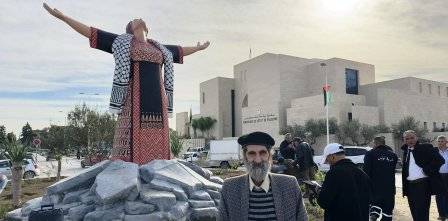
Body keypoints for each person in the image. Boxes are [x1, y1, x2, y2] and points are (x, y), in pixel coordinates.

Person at [43, 3, 210, 164]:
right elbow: (91, 32)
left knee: (160, 131)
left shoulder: (160, 48)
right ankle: (131, 165)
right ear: (130, 28)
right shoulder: (122, 43)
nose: (139, 19)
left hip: (158, 102)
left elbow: (180, 51)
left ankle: (161, 161)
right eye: (135, 19)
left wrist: (197, 48)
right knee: (131, 134)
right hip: (133, 99)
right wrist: (64, 18)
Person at [220, 131, 308, 221]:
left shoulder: (289, 185)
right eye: (252, 153)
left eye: (263, 153)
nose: (258, 160)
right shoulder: (229, 188)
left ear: (270, 156)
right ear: (245, 157)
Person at [317, 143, 371, 221]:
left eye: (327, 159)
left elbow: (323, 202)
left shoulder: (333, 173)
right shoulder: (362, 173)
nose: (327, 162)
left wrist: (318, 191)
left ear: (332, 157)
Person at [401, 130, 445, 221]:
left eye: (412, 138)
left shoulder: (425, 147)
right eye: (407, 138)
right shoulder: (406, 151)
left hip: (422, 185)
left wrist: (426, 170)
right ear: (404, 140)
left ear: (416, 138)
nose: (410, 140)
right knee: (414, 212)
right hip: (410, 186)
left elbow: (440, 160)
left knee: (422, 212)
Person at [363, 136, 398, 221]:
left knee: (374, 207)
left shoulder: (370, 154)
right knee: (388, 212)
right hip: (389, 189)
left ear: (375, 143)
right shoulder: (393, 155)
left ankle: (374, 215)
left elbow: (366, 171)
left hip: (374, 188)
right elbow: (393, 170)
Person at [436, 135, 448, 221]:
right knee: (440, 196)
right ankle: (442, 215)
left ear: (446, 142)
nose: (440, 143)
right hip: (438, 176)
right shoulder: (434, 152)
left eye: (442, 141)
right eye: (439, 141)